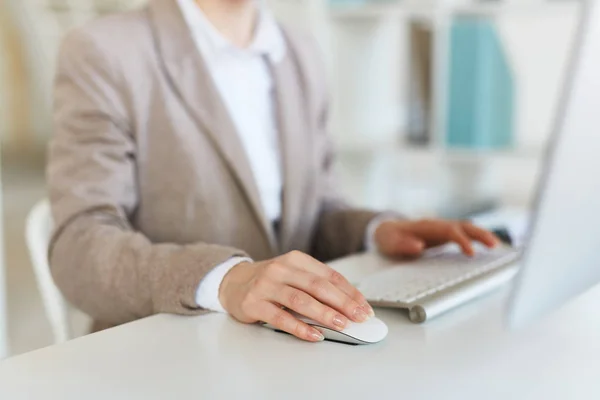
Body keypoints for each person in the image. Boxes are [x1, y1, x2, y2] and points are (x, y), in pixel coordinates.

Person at [47, 0, 499, 342]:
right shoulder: (104, 52)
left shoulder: (299, 53)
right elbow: (79, 245)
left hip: (284, 350)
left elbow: (316, 211)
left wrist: (379, 231)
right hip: (165, 354)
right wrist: (223, 279)